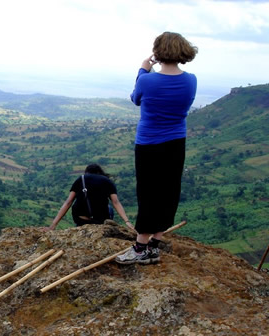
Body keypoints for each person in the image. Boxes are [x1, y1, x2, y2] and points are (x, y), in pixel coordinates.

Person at [116, 32, 198, 265]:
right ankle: (155, 243)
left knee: (148, 192)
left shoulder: (147, 80)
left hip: (149, 143)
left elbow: (136, 99)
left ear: (158, 52)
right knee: (169, 190)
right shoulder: (191, 79)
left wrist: (143, 69)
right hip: (176, 142)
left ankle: (140, 248)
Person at [43, 163, 133, 231]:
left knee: (76, 203)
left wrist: (53, 225)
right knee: (110, 208)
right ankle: (105, 227)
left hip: (81, 219)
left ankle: (80, 228)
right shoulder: (107, 181)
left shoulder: (81, 179)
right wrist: (127, 221)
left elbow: (68, 202)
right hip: (100, 220)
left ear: (87, 172)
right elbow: (116, 202)